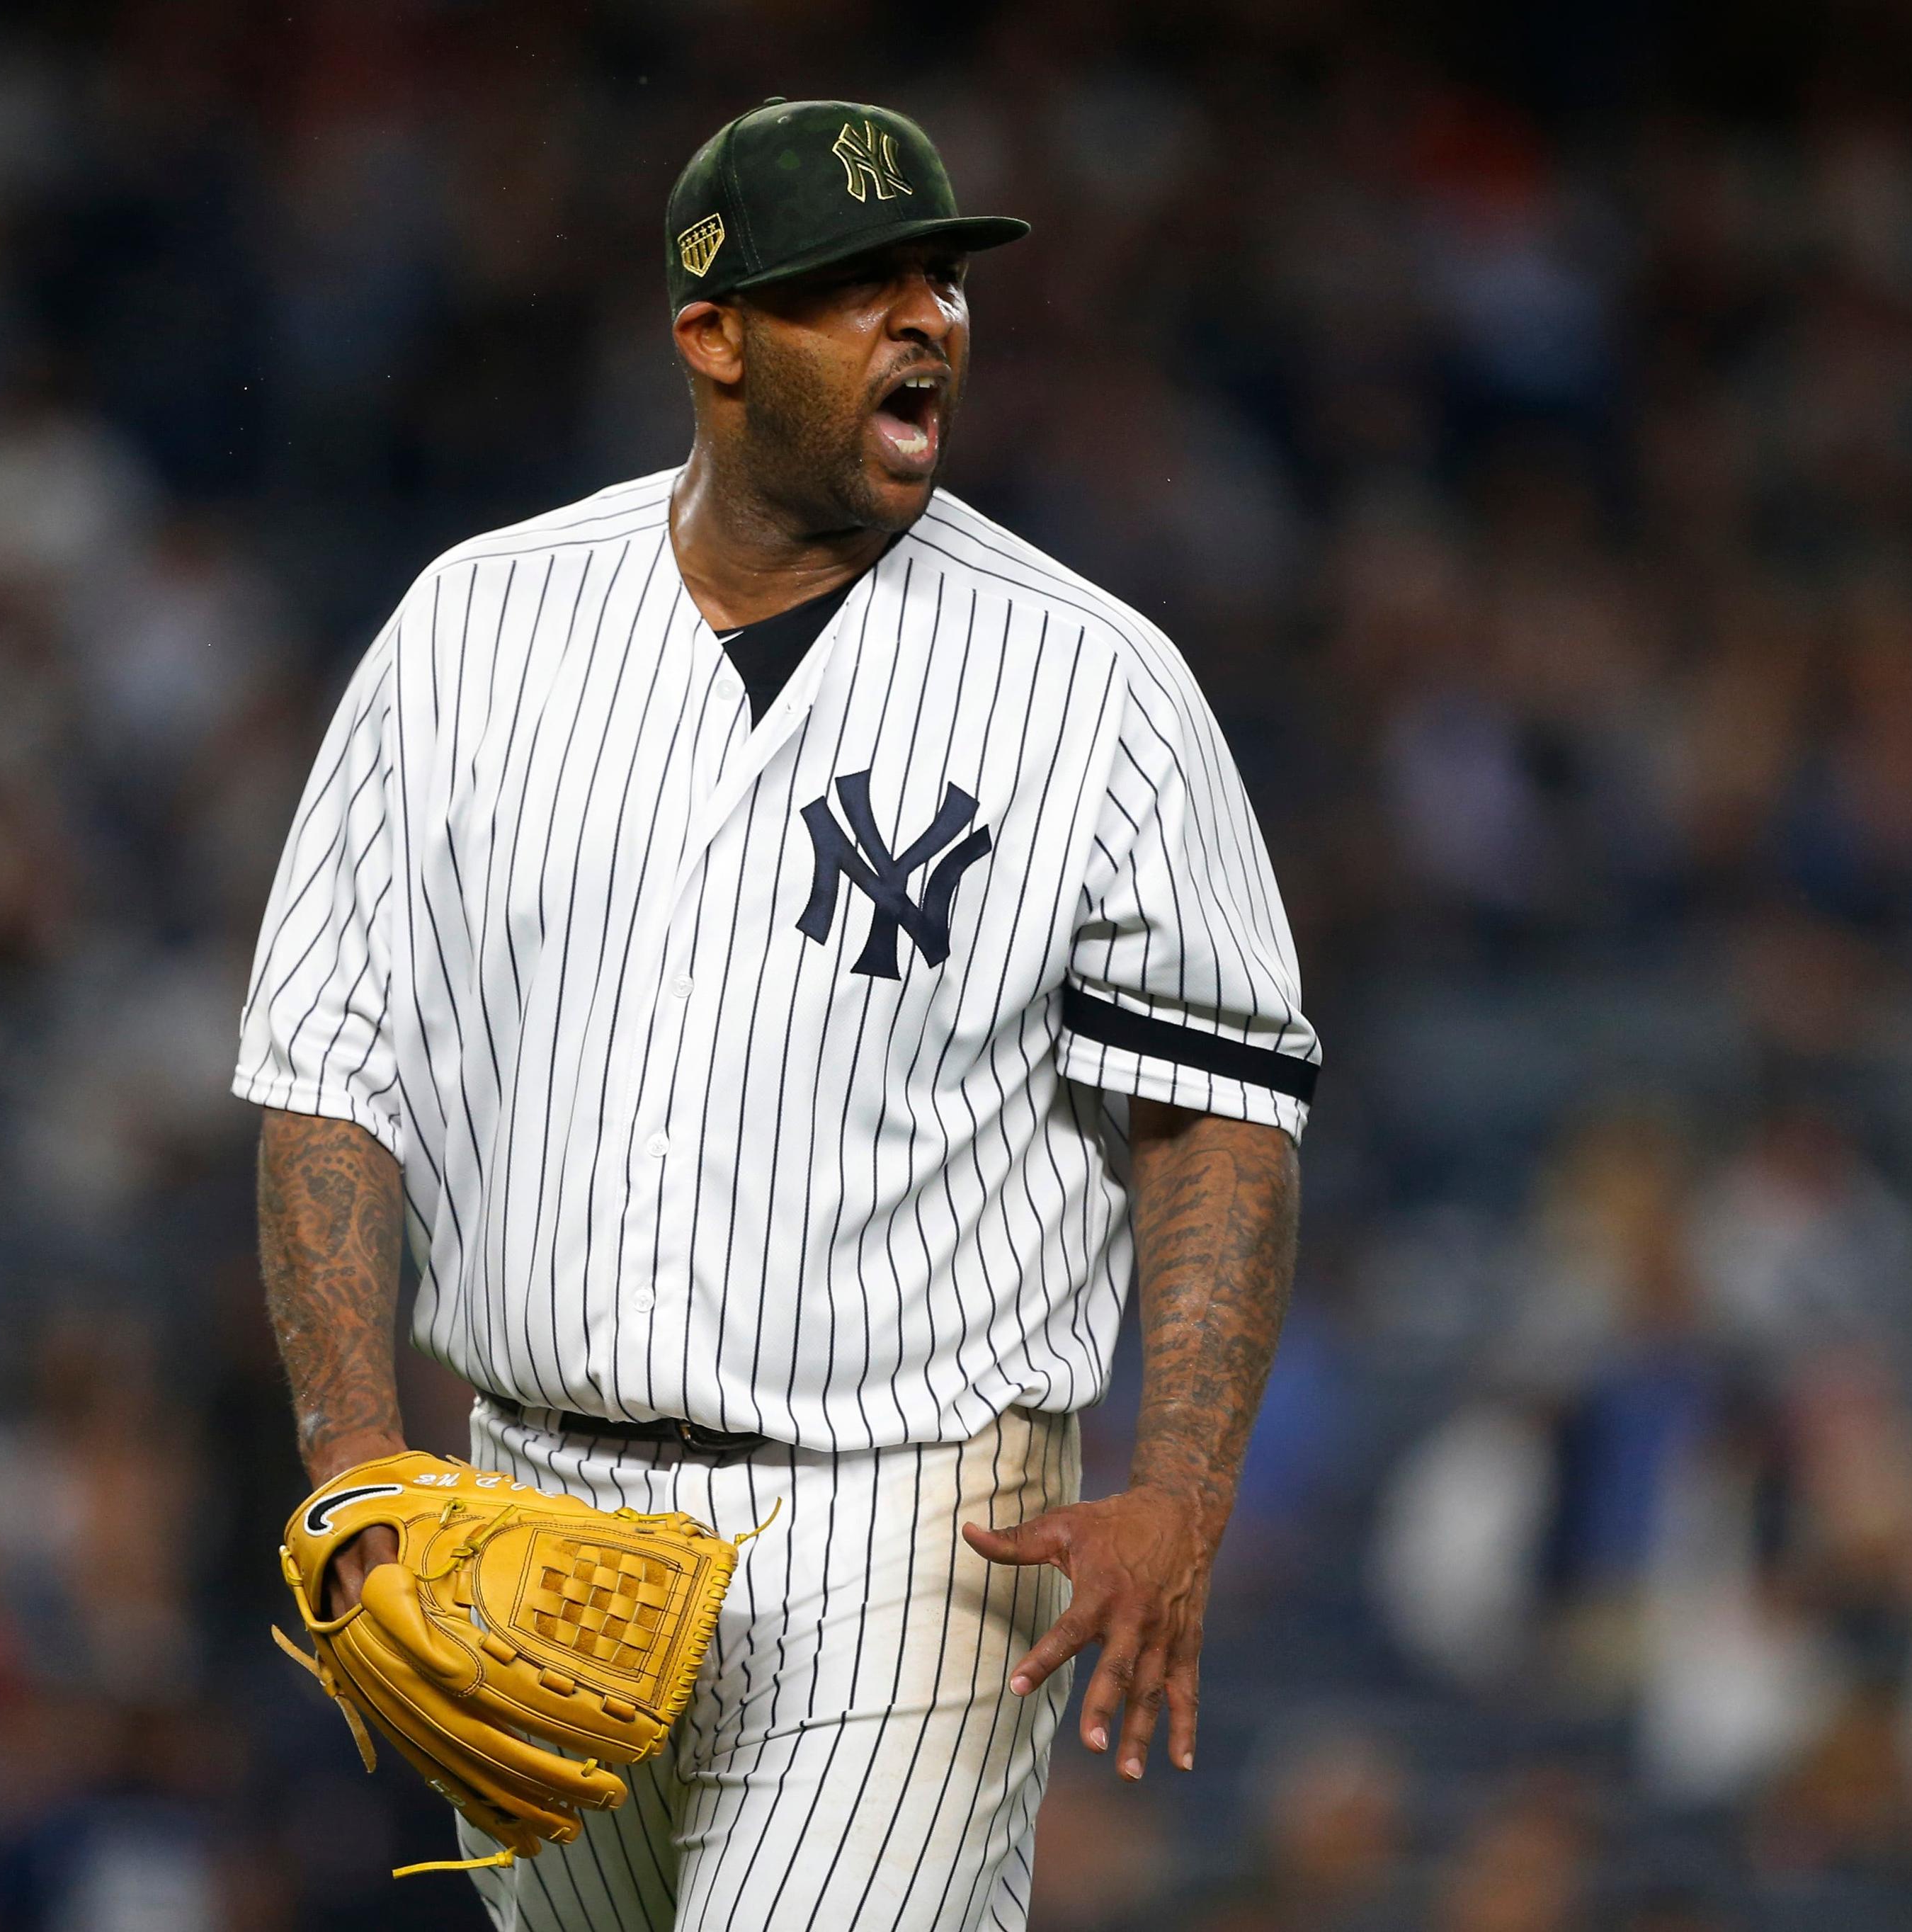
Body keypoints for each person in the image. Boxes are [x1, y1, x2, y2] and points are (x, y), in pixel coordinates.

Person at [234, 96, 1317, 1932]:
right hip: (533, 1496)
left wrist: (1182, 1487)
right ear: (713, 339)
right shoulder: (475, 628)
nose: (927, 321)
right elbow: (326, 1078)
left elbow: (1215, 1111)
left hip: (913, 1529)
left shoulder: (1094, 685)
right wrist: (352, 1461)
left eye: (941, 282)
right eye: (857, 286)